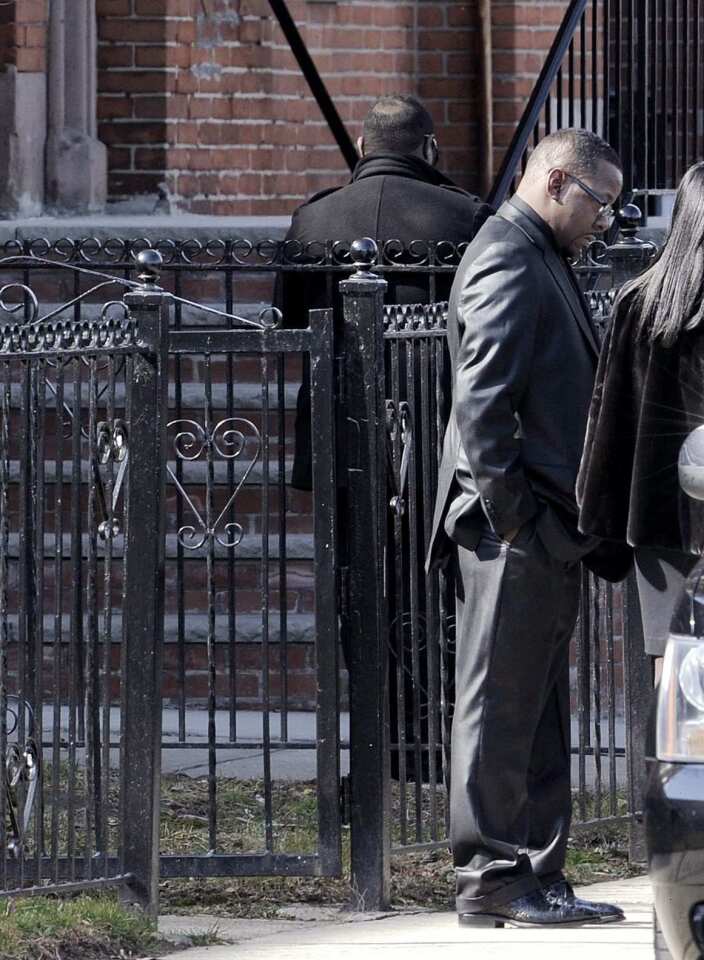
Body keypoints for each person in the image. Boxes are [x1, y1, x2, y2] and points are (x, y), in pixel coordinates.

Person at [427, 128, 626, 927]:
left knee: (538, 709)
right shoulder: (508, 256)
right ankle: (490, 879)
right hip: (512, 530)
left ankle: (538, 872)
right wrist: (518, 523)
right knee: (497, 704)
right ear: (554, 182)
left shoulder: (539, 252)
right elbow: (483, 405)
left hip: (546, 528)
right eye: (600, 203)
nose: (606, 221)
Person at [278, 95, 491, 781]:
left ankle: (370, 747)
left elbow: (289, 324)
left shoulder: (314, 218)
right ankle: (425, 742)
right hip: (431, 433)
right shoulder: (464, 217)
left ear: (366, 145)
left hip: (343, 434)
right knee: (436, 588)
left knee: (353, 587)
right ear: (428, 148)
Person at [578, 160, 704, 673]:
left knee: (676, 677)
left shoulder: (641, 303)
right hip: (665, 520)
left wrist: (600, 528)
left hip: (662, 522)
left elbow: (612, 422)